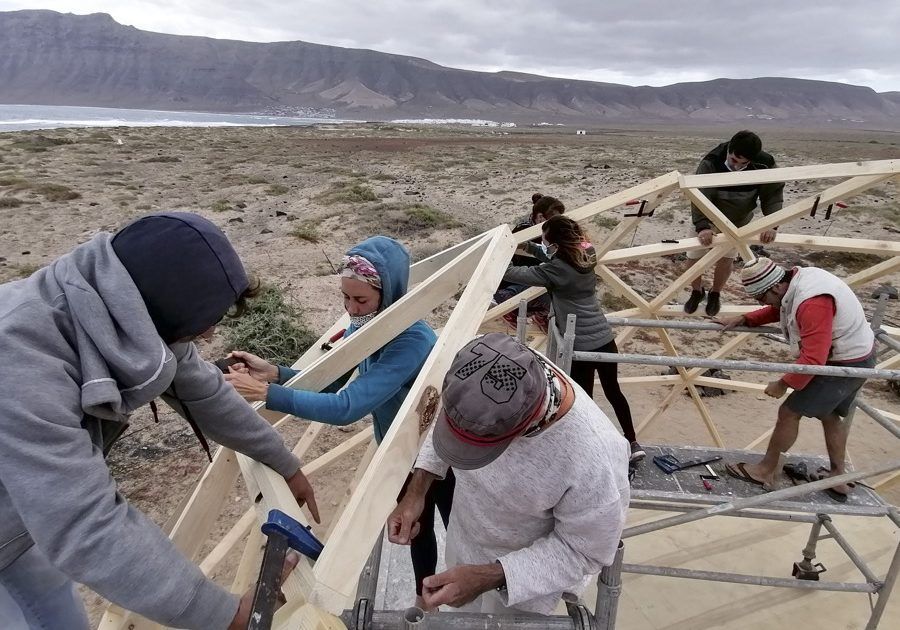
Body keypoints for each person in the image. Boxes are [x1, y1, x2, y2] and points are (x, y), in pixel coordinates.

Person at [0, 213, 317, 630]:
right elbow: (84, 523)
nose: (208, 336)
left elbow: (202, 390)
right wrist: (222, 615)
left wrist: (283, 462)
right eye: (199, 327)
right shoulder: (20, 364)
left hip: (15, 523)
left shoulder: (125, 301)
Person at [224, 235, 451, 607]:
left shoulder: (410, 339)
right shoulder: (368, 322)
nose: (350, 308)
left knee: (457, 524)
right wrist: (276, 373)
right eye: (345, 297)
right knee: (417, 530)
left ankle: (466, 592)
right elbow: (334, 379)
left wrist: (267, 394)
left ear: (389, 292)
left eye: (360, 299)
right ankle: (425, 600)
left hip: (435, 453)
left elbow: (347, 406)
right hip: (399, 449)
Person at [388, 333, 629, 615]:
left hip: (522, 589)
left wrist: (489, 576)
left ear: (520, 430)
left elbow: (584, 550)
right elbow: (450, 417)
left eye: (477, 448)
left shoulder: (595, 460)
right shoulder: (480, 361)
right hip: (463, 545)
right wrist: (417, 490)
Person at [719, 258, 875, 501]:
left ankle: (765, 470)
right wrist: (746, 318)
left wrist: (783, 384)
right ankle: (838, 476)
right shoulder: (797, 282)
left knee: (789, 412)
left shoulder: (812, 302)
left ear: (775, 286)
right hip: (857, 355)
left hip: (846, 362)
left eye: (761, 297)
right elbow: (780, 308)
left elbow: (814, 358)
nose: (761, 303)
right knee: (830, 414)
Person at [502, 215, 644, 461]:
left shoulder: (556, 270)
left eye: (546, 242)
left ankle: (590, 447)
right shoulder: (586, 254)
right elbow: (554, 257)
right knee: (614, 391)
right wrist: (529, 247)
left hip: (579, 342)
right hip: (604, 337)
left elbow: (516, 274)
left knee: (584, 399)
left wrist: (501, 256)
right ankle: (632, 442)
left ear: (557, 244)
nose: (544, 246)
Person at [683, 130, 785, 316]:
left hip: (737, 221)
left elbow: (772, 195)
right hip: (707, 217)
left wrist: (772, 223)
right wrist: (703, 226)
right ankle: (697, 291)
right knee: (693, 257)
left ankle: (715, 293)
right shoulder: (711, 162)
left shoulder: (765, 164)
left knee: (726, 259)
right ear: (729, 149)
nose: (736, 166)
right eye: (733, 160)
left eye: (743, 164)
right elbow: (699, 196)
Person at [494, 193, 566, 332]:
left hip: (533, 279)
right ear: (540, 217)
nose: (557, 224)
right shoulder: (523, 231)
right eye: (554, 220)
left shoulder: (549, 232)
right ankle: (508, 302)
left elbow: (553, 257)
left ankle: (542, 316)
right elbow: (503, 260)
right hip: (512, 283)